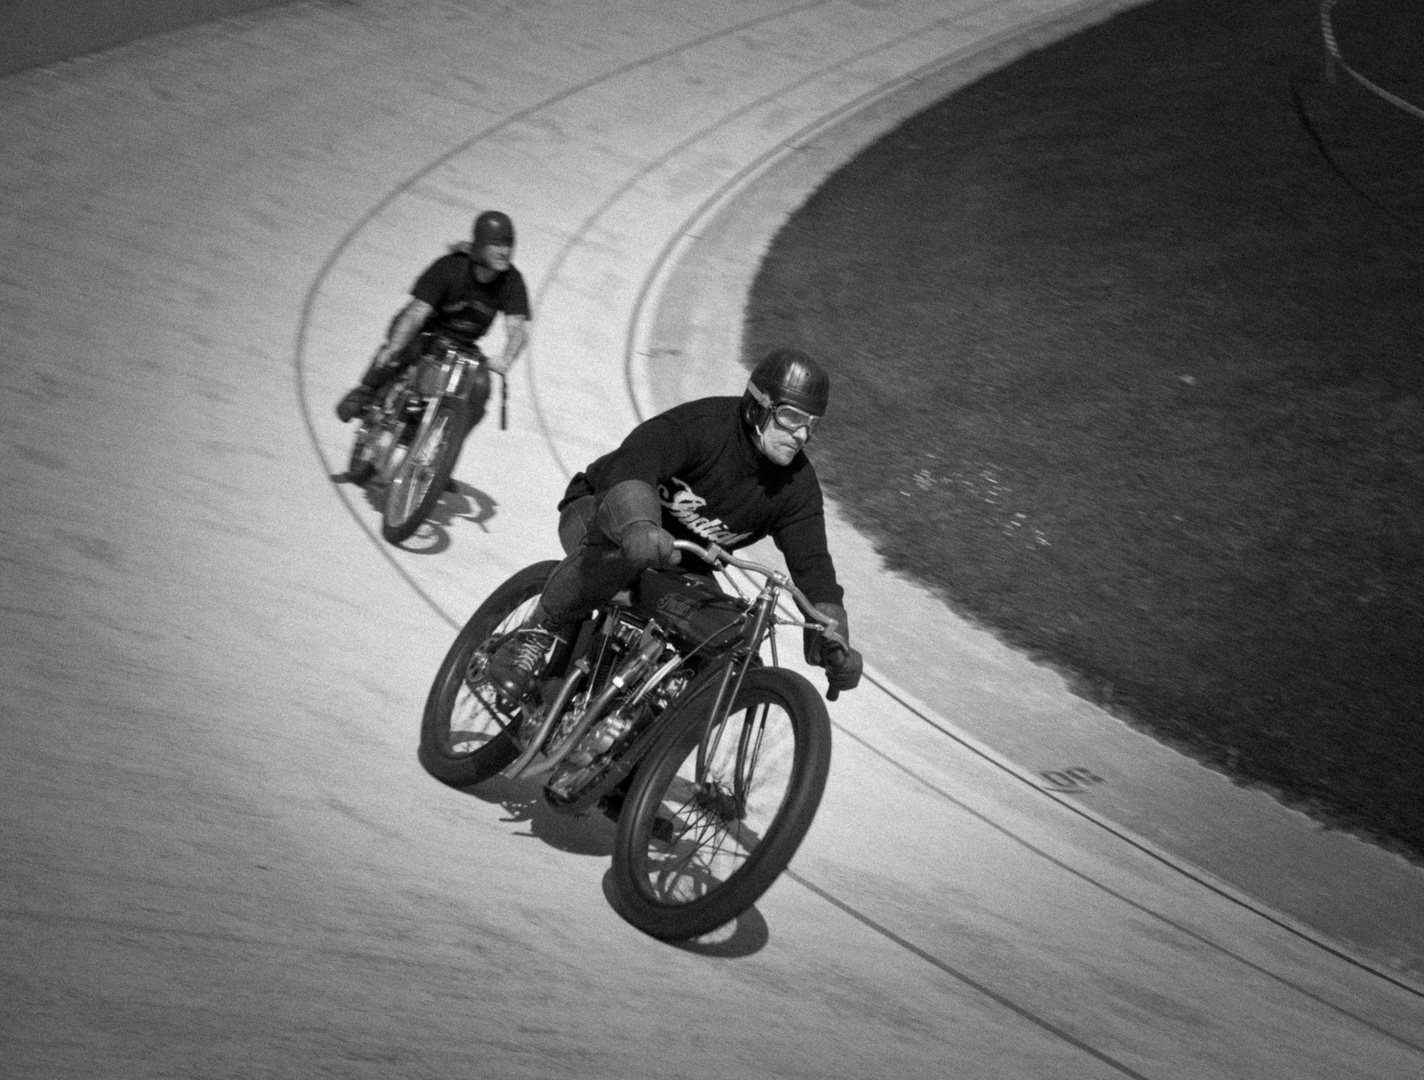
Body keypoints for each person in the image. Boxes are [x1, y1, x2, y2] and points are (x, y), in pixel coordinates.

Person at [487, 347, 864, 701]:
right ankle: (534, 635)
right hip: (602, 514)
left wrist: (833, 637)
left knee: (732, 639)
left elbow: (812, 564)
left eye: (811, 424)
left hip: (681, 563)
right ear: (756, 407)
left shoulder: (797, 487)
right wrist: (638, 522)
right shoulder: (705, 426)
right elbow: (636, 460)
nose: (801, 434)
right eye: (791, 417)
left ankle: (642, 727)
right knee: (630, 555)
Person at [335, 209, 531, 432]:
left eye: (508, 244)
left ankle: (448, 440)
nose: (504, 251)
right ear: (480, 246)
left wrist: (507, 358)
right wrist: (393, 347)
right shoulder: (450, 268)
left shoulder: (512, 281)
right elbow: (416, 314)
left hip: (463, 345)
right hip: (428, 329)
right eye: (496, 244)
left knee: (481, 388)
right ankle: (365, 391)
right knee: (405, 349)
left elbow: (517, 329)